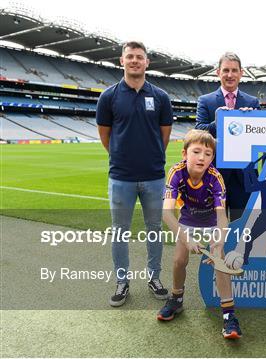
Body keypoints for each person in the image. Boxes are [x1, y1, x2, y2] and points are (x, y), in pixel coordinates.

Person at [96, 41, 172, 307]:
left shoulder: (161, 97)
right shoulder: (109, 96)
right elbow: (105, 135)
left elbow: (164, 134)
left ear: (147, 62)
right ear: (122, 61)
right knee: (120, 232)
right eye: (130, 57)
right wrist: (121, 157)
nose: (135, 61)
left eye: (139, 57)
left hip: (153, 176)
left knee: (154, 230)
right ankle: (122, 281)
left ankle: (154, 277)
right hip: (121, 177)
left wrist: (151, 157)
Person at [157, 129, 242, 340]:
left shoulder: (216, 178)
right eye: (196, 152)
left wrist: (218, 242)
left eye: (208, 154)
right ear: (185, 154)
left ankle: (229, 315)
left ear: (213, 158)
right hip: (188, 221)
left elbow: (222, 217)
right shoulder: (176, 172)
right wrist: (187, 239)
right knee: (178, 260)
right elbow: (166, 213)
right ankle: (176, 300)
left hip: (213, 222)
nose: (202, 157)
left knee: (219, 263)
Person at [195, 52, 260, 221]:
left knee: (243, 226)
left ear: (241, 72)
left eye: (234, 70)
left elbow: (259, 137)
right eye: (225, 70)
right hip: (214, 173)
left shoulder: (252, 102)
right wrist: (219, 122)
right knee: (214, 226)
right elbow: (198, 132)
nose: (230, 75)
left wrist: (252, 122)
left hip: (244, 176)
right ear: (218, 72)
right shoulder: (205, 100)